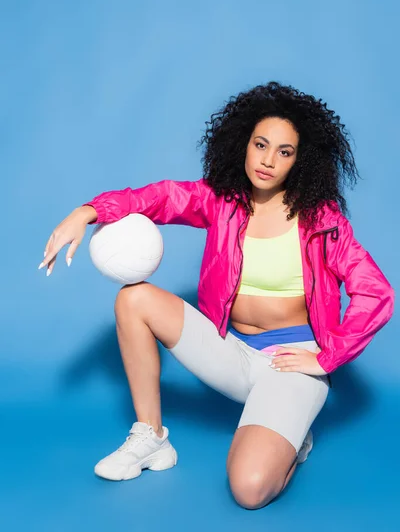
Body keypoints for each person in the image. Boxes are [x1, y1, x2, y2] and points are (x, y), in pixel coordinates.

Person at [39, 81, 395, 509]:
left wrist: (325, 357)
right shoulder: (220, 202)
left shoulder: (322, 221)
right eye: (260, 144)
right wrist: (87, 212)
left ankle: (295, 435)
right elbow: (157, 199)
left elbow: (376, 294)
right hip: (230, 353)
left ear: (300, 160)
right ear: (242, 143)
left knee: (249, 489)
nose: (267, 160)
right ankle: (151, 437)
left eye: (284, 151)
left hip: (292, 367)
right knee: (133, 298)